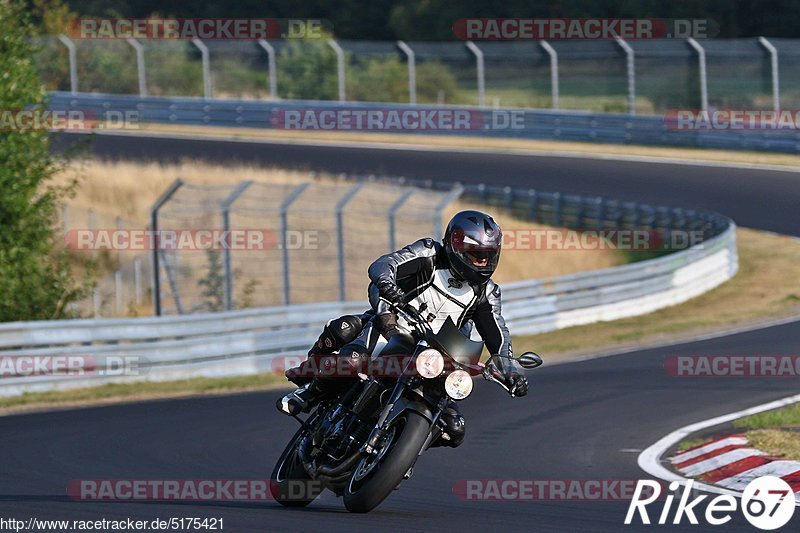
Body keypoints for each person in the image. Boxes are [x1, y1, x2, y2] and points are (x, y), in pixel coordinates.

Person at [278, 210, 529, 448]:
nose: (483, 262)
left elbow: (497, 330)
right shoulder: (430, 253)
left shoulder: (487, 292)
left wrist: (509, 368)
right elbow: (383, 265)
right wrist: (388, 287)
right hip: (394, 326)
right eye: (476, 255)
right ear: (456, 248)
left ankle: (397, 451)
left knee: (454, 429)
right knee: (349, 351)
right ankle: (309, 392)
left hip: (439, 355)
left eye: (488, 256)